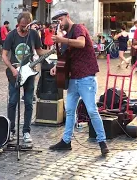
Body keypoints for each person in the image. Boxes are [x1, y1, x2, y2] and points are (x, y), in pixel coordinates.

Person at [48, 10, 109, 155]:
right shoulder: (66, 35)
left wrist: (62, 40)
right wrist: (57, 67)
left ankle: (102, 142)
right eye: (57, 22)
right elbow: (66, 57)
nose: (60, 24)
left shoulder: (79, 28)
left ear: (68, 17)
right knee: (69, 111)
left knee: (92, 110)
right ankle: (66, 141)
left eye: (61, 20)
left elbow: (81, 43)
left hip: (86, 77)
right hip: (73, 78)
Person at [2, 12, 50, 143]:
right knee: (12, 102)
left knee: (29, 102)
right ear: (18, 23)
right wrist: (12, 69)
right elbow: (4, 55)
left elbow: (39, 51)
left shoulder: (34, 34)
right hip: (15, 73)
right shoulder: (11, 35)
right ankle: (11, 130)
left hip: (29, 73)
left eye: (27, 26)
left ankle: (26, 131)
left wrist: (52, 51)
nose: (24, 28)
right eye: (22, 26)